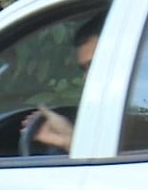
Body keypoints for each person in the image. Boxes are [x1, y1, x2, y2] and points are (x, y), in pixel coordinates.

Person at [25, 14, 103, 152]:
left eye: (95, 65)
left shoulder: (144, 114)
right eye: (84, 69)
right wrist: (68, 140)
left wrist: (71, 141)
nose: (86, 77)